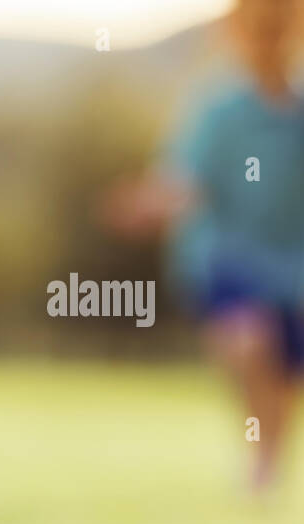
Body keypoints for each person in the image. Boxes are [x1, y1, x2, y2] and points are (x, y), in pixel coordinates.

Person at [102, 0, 304, 490]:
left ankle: (269, 458)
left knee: (285, 375)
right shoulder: (217, 109)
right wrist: (147, 204)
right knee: (250, 338)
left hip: (293, 267)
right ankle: (261, 466)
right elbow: (182, 181)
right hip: (228, 259)